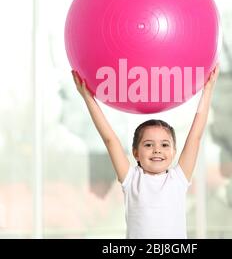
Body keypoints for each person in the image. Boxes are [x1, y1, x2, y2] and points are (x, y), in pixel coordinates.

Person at [72, 64, 219, 238]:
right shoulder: (131, 179)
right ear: (135, 153)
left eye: (164, 145)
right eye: (149, 145)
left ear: (173, 151)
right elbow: (110, 140)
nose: (157, 150)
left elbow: (195, 137)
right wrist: (88, 98)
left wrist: (207, 91)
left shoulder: (178, 179)